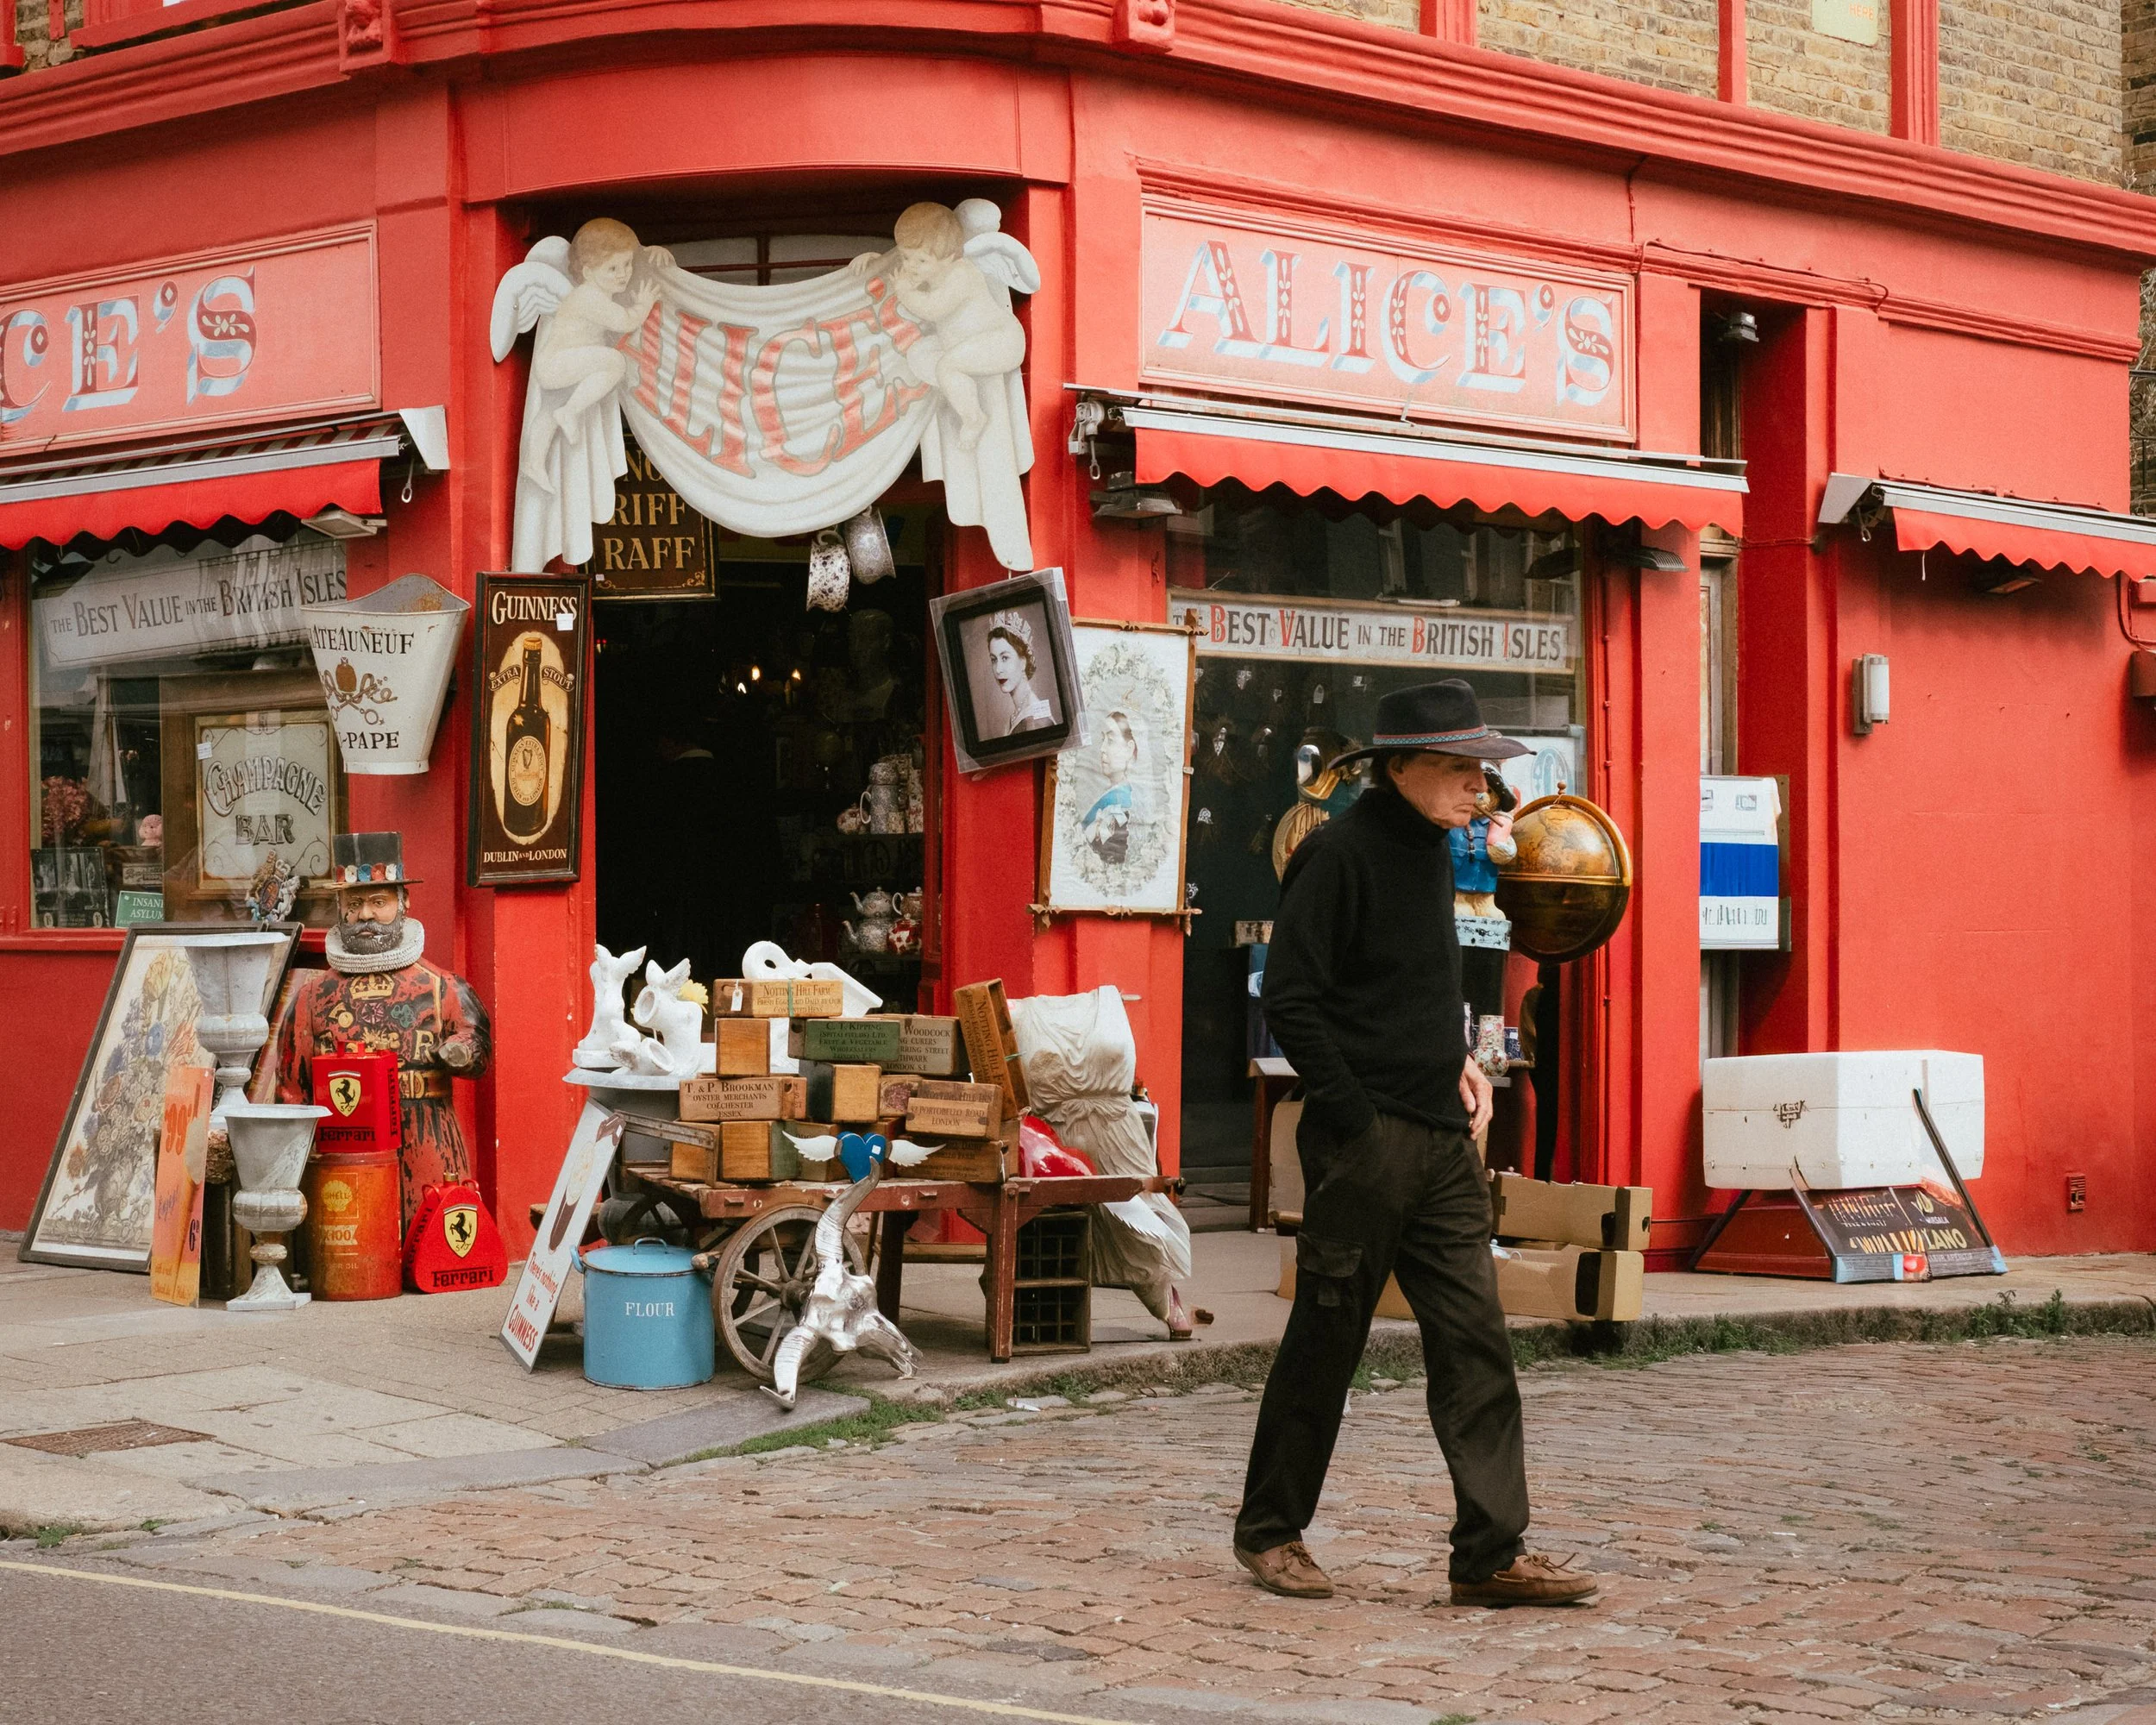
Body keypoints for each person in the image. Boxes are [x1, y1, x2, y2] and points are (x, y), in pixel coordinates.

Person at [1233, 680, 1598, 1609]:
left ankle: (1488, 1551)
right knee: (1326, 1337)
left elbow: (1417, 982)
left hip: (1440, 1141)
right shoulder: (1336, 854)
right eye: (1457, 768)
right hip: (1367, 1145)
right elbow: (1294, 1000)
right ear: (1397, 769)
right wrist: (1354, 1117)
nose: (1477, 787)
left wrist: (1460, 1060)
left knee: (1476, 1341)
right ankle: (1271, 1531)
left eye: (1480, 770)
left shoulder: (1437, 854)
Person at [276, 833, 492, 1228]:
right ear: (340, 909)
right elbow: (291, 1088)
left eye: (379, 902)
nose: (366, 916)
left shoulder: (441, 986)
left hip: (428, 1136)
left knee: (431, 1233)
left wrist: (460, 1050)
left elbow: (477, 1043)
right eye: (354, 904)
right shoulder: (312, 996)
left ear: (403, 904)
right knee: (353, 1243)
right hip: (343, 1139)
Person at [1081, 710, 1141, 865]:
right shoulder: (1112, 795)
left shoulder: (1121, 803)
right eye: (1103, 739)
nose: (1102, 748)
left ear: (1129, 749)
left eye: (1111, 741)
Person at [983, 611, 1053, 734]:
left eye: (1005, 658)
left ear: (1023, 662)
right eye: (994, 660)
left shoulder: (1034, 722)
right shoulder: (1018, 713)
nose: (998, 669)